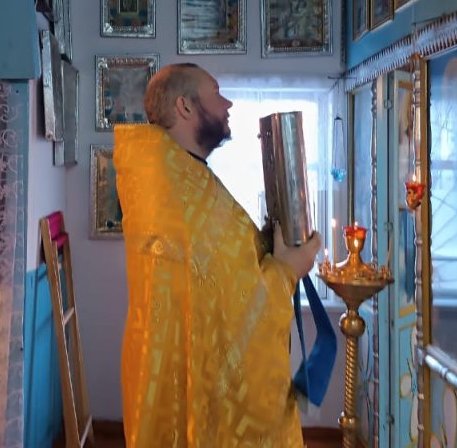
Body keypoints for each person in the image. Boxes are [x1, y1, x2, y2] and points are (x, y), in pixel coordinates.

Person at [115, 63, 322, 448]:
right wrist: (286, 271)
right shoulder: (172, 190)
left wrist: (265, 245)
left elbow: (221, 271)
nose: (227, 103)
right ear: (184, 106)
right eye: (215, 92)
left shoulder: (180, 174)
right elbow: (228, 308)